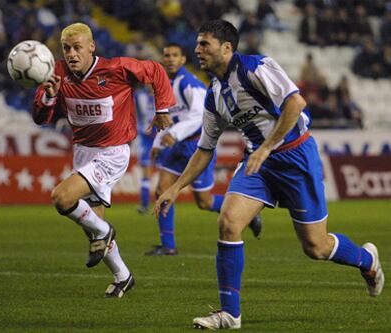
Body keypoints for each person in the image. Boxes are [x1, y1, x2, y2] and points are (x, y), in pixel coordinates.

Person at [155, 20, 384, 330]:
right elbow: (205, 149)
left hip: (295, 156)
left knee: (315, 247)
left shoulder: (256, 67)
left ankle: (367, 261)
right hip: (258, 164)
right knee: (228, 222)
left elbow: (295, 103)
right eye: (197, 45)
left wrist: (266, 147)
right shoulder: (214, 95)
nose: (197, 50)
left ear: (227, 47)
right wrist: (176, 188)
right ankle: (229, 314)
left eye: (204, 44)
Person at [32, 22, 175, 297]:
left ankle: (105, 231)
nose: (71, 54)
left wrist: (162, 108)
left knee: (61, 198)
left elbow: (156, 71)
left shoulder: (117, 68)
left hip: (112, 152)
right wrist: (49, 96)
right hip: (83, 152)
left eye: (77, 48)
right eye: (66, 48)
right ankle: (123, 276)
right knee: (91, 228)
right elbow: (40, 118)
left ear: (91, 47)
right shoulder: (56, 74)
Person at [147, 43, 262, 256]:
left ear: (183, 60)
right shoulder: (164, 85)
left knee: (204, 202)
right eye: (167, 55)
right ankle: (168, 245)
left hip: (196, 146)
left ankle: (249, 214)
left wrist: (175, 134)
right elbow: (167, 119)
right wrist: (158, 142)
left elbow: (197, 117)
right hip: (176, 145)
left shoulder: (190, 83)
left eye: (175, 55)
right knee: (161, 190)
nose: (170, 59)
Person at [133, 84, 158, 214]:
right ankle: (144, 203)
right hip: (145, 139)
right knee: (146, 172)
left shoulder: (163, 93)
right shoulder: (138, 95)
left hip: (161, 137)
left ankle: (164, 202)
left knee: (166, 170)